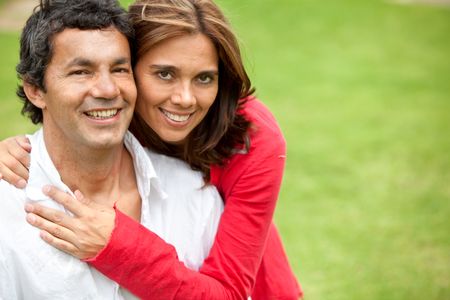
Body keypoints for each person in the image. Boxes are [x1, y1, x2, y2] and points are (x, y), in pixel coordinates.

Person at [0, 0, 303, 299]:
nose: (184, 98)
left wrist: (117, 245)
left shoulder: (254, 139)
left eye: (204, 78)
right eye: (164, 74)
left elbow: (231, 291)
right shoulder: (115, 105)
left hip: (243, 276)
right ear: (132, 66)